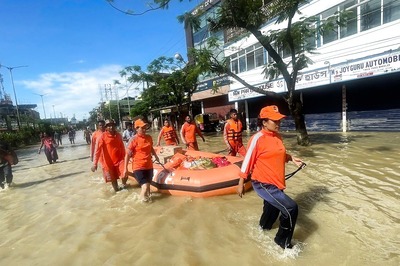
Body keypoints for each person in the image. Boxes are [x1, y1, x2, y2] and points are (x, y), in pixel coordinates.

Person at [237, 105, 304, 249]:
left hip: (276, 182)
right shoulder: (257, 138)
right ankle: (282, 242)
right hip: (263, 183)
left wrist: (291, 158)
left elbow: (276, 154)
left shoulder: (277, 136)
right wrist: (241, 181)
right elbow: (248, 160)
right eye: (275, 121)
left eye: (279, 120)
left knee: (271, 212)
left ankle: (260, 231)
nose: (278, 123)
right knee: (291, 208)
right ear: (264, 122)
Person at [124, 119, 159, 202]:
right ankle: (141, 203)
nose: (144, 129)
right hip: (138, 167)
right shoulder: (133, 140)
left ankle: (149, 202)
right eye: (142, 128)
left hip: (149, 166)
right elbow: (128, 154)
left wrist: (156, 155)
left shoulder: (149, 138)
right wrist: (125, 168)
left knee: (148, 186)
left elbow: (151, 148)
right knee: (145, 185)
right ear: (136, 128)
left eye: (145, 127)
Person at [91, 119, 127, 192]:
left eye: (112, 125)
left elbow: (122, 147)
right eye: (109, 126)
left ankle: (123, 185)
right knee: (113, 180)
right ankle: (117, 192)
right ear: (106, 128)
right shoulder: (101, 137)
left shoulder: (118, 135)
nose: (111, 127)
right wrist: (95, 164)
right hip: (108, 162)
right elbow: (97, 151)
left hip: (120, 160)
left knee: (125, 174)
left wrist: (126, 157)